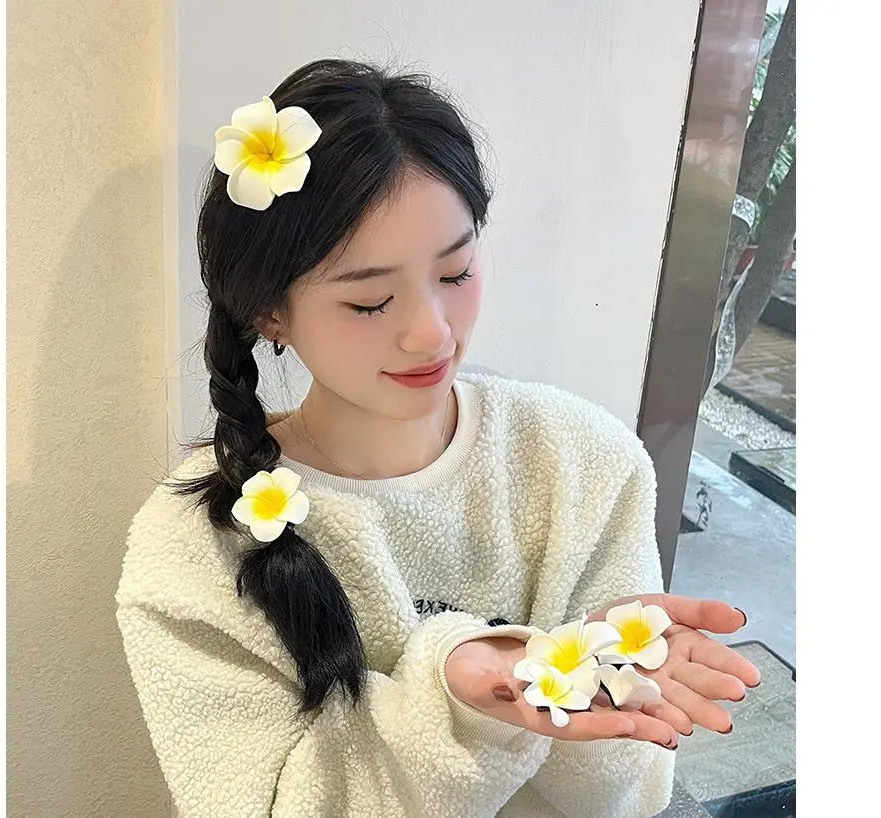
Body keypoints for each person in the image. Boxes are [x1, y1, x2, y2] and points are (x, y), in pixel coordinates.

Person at [116, 58, 760, 818]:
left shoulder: (583, 461)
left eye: (455, 273)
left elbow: (622, 799)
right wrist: (456, 697)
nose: (430, 333)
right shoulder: (194, 547)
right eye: (369, 301)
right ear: (269, 313)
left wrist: (593, 682)